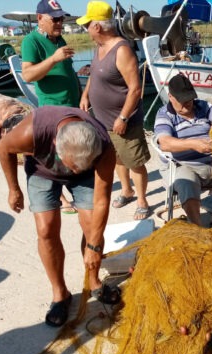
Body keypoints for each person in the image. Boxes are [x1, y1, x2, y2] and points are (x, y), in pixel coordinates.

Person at [0, 106, 118, 327]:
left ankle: (93, 281)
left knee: (93, 226)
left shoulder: (105, 148)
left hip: (87, 174)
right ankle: (59, 293)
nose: (73, 172)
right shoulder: (32, 133)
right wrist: (14, 188)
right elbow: (4, 148)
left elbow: (102, 201)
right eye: (71, 167)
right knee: (46, 229)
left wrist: (93, 246)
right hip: (42, 171)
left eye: (79, 167)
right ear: (55, 145)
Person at [78, 1, 151, 220]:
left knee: (135, 162)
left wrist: (123, 117)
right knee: (117, 159)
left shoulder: (122, 50)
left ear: (97, 27)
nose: (86, 29)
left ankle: (142, 201)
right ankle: (126, 191)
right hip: (103, 121)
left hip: (124, 121)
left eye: (87, 25)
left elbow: (135, 89)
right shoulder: (99, 47)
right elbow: (94, 74)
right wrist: (85, 94)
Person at [154, 74, 212, 228]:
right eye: (182, 100)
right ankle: (198, 228)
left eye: (189, 98)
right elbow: (165, 143)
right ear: (170, 96)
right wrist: (193, 144)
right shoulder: (164, 114)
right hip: (182, 164)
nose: (188, 103)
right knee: (187, 184)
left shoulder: (203, 106)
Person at [21, 0, 81, 214]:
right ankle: (62, 198)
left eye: (61, 18)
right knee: (54, 154)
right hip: (53, 109)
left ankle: (73, 189)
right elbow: (28, 74)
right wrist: (54, 59)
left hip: (72, 106)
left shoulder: (58, 38)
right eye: (54, 19)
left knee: (71, 151)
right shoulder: (32, 41)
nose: (59, 22)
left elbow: (66, 70)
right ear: (39, 18)